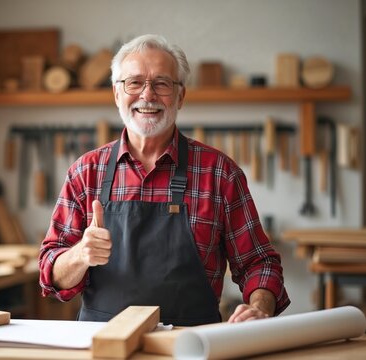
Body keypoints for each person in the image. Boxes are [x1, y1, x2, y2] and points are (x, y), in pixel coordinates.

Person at [39, 34, 290, 326]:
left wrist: (260, 307)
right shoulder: (85, 172)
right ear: (117, 94)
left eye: (162, 83)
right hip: (104, 345)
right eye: (134, 82)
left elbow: (259, 263)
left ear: (181, 96)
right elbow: (50, 273)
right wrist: (80, 255)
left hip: (193, 345)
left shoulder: (219, 173)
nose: (147, 95)